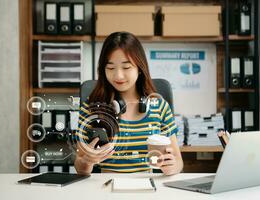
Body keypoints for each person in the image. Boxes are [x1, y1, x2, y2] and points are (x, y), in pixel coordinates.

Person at [74, 31, 183, 175]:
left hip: (147, 187)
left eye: (126, 67)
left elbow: (178, 162)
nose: (118, 75)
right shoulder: (92, 107)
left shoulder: (159, 107)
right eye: (111, 68)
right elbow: (79, 166)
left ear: (139, 69)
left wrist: (171, 166)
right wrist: (87, 161)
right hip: (106, 186)